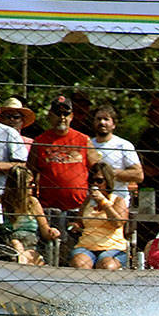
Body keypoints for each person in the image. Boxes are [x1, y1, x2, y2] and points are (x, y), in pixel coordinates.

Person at [28, 94, 101, 254]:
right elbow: (30, 173)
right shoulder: (40, 141)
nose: (62, 118)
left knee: (76, 250)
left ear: (72, 116)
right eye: (57, 113)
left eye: (66, 114)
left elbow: (99, 171)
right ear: (50, 116)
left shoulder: (83, 140)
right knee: (51, 252)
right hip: (49, 209)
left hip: (78, 208)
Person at [0, 165, 59, 265]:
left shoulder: (33, 203)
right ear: (19, 185)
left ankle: (21, 270)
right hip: (8, 249)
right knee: (16, 244)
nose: (33, 186)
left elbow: (45, 232)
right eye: (30, 183)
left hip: (31, 248)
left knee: (27, 255)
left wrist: (52, 232)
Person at [68, 161, 128, 270]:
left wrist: (103, 202)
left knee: (107, 266)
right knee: (79, 264)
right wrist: (76, 226)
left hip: (112, 247)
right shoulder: (87, 202)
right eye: (92, 181)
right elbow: (80, 223)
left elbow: (118, 223)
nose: (95, 184)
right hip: (86, 246)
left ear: (107, 181)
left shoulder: (118, 200)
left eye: (99, 181)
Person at [89, 104, 143, 209]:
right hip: (92, 201)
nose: (102, 122)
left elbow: (139, 175)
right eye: (98, 119)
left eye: (106, 119)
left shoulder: (123, 145)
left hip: (117, 202)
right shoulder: (87, 144)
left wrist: (110, 173)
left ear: (114, 124)